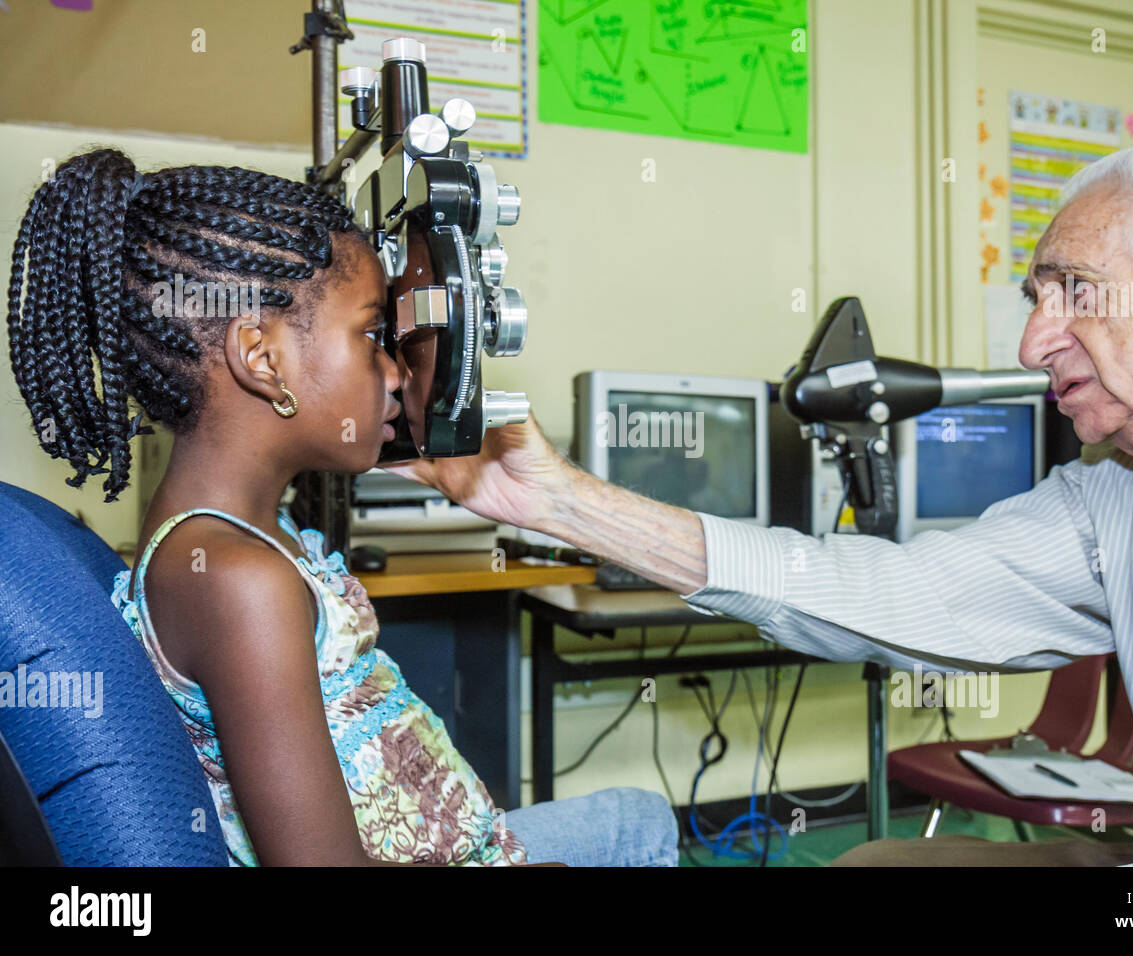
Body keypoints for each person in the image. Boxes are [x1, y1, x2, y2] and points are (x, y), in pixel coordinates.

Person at [386, 136, 1133, 866]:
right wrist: (562, 505)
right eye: (1034, 297)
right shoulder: (1127, 498)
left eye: (1073, 293)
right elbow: (888, 592)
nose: (1032, 343)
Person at [6, 149, 678, 867]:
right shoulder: (237, 579)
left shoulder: (246, 538)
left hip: (463, 844)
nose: (393, 373)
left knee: (638, 817)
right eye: (368, 335)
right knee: (639, 834)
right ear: (262, 360)